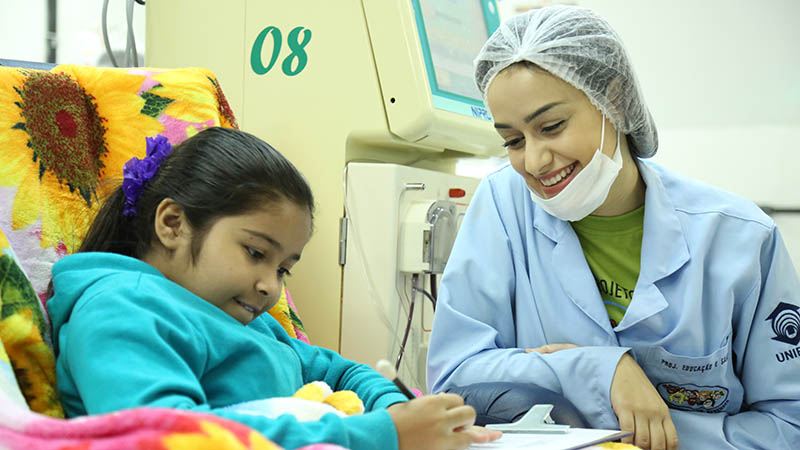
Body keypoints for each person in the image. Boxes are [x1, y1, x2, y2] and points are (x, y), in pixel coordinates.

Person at [426, 5, 800, 450]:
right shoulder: (503, 206)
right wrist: (602, 370)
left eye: (552, 126)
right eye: (513, 140)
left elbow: (788, 422)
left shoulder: (737, 238)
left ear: (614, 100)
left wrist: (657, 435)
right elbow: (455, 379)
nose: (534, 160)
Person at [48, 127, 501, 450]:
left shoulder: (250, 323)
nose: (270, 287)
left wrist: (394, 409)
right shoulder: (122, 310)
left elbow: (342, 373)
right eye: (254, 253)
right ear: (172, 224)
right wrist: (382, 436)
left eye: (285, 268)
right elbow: (169, 436)